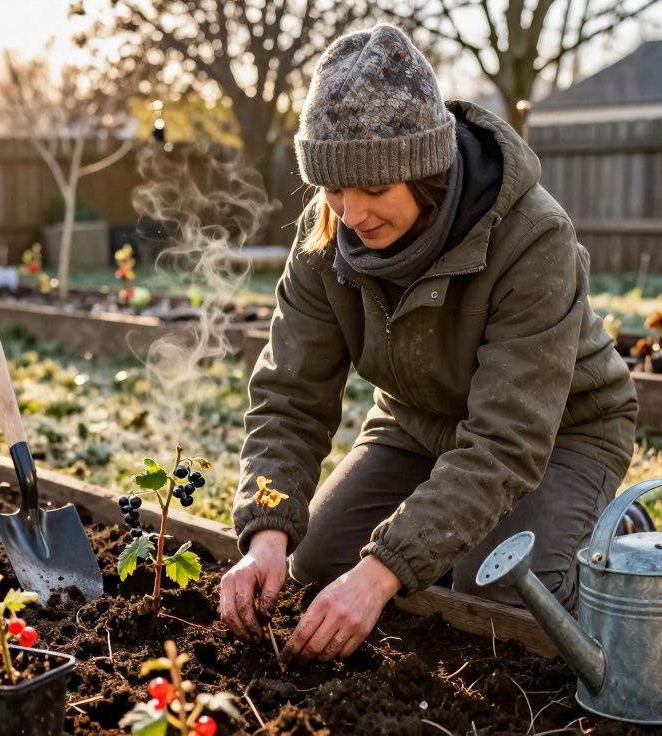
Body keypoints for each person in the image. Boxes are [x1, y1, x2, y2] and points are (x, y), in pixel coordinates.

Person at [219, 24, 638, 665]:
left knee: (503, 597)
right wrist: (266, 529)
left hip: (562, 434)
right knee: (316, 565)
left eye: (374, 190)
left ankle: (615, 539)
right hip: (416, 423)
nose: (351, 214)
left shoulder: (532, 238)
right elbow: (289, 396)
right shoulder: (324, 233)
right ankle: (451, 544)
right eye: (332, 188)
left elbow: (507, 440)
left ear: (425, 170)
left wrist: (385, 568)